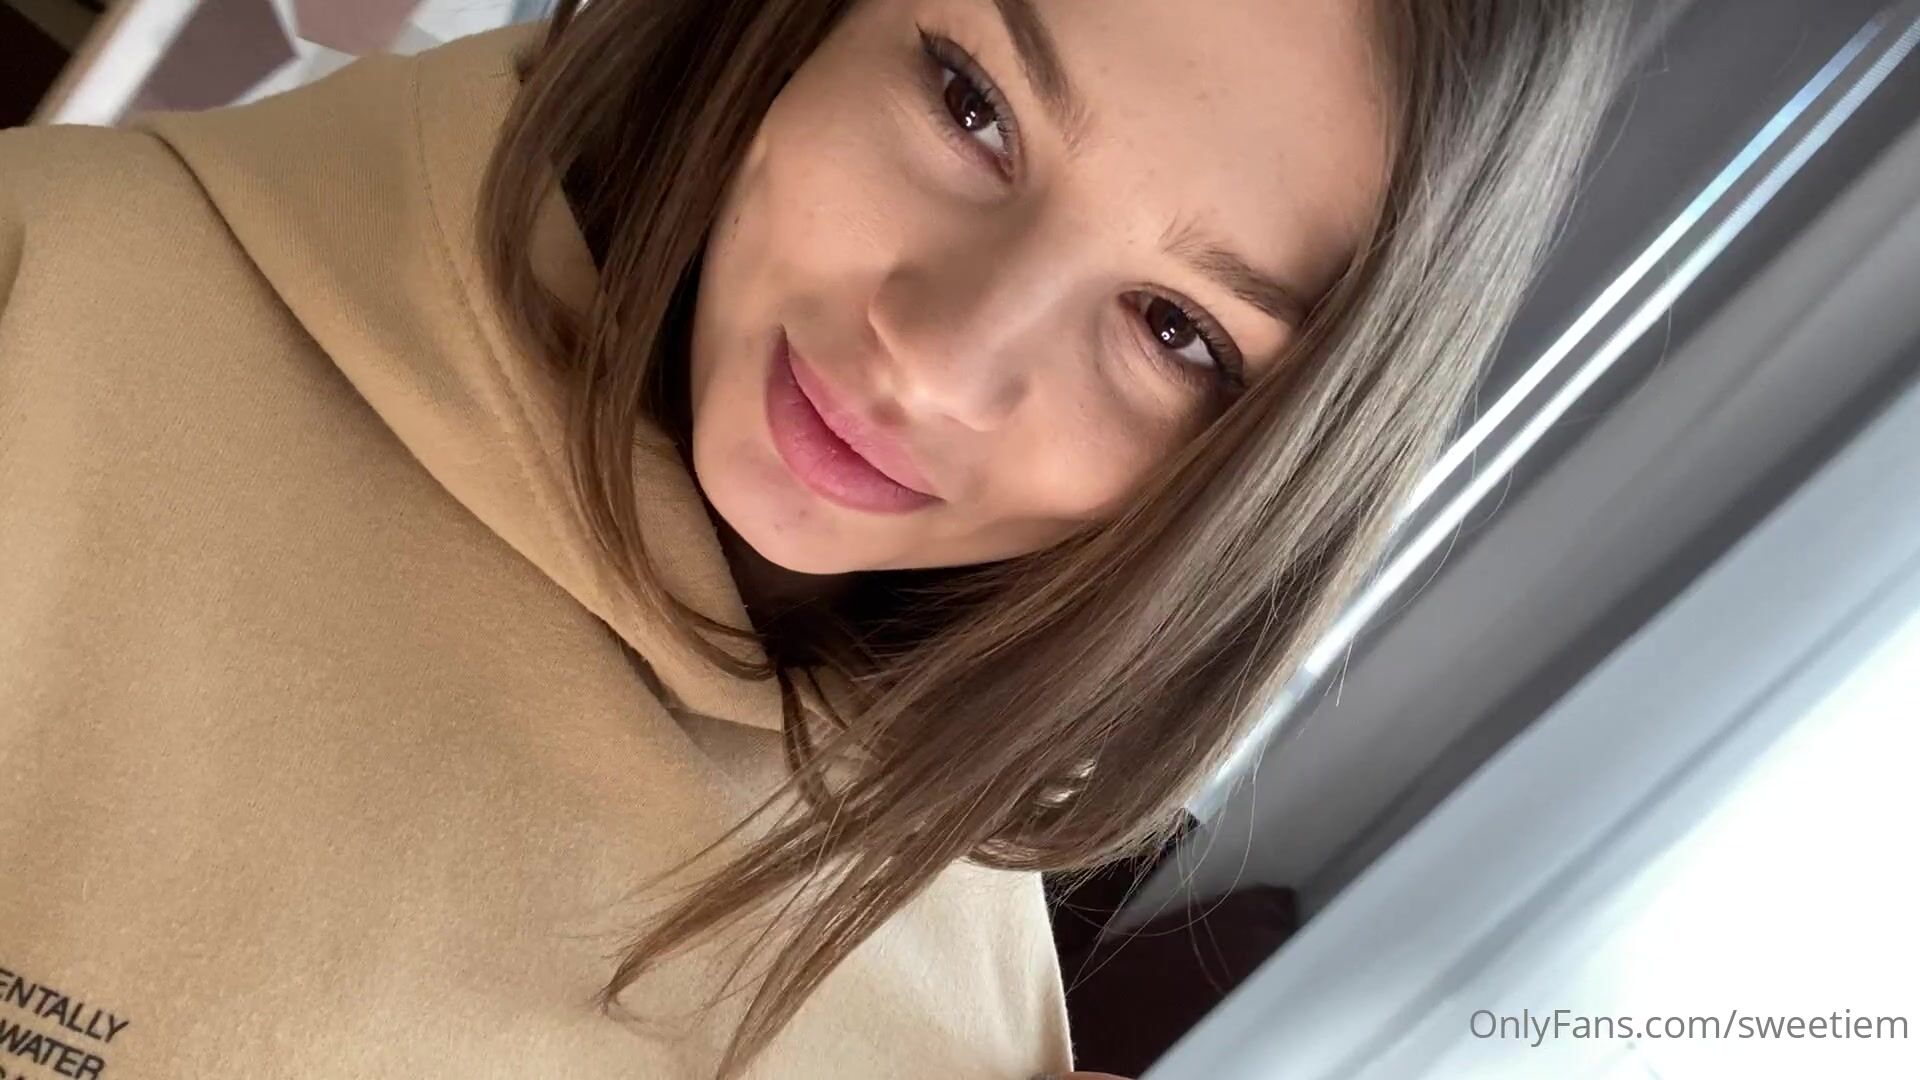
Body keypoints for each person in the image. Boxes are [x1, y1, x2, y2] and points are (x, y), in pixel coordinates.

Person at [0, 1, 1630, 1077]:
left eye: (1173, 329)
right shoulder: (50, 296)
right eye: (972, 106)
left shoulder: (963, 1027)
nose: (939, 358)